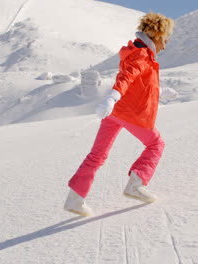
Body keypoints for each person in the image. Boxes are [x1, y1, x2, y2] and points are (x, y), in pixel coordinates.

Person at [64, 13, 175, 216]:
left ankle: (75, 199)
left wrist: (161, 90)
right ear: (158, 36)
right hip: (129, 112)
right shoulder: (142, 55)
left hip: (115, 113)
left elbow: (140, 82)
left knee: (97, 154)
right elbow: (127, 77)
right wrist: (112, 97)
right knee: (156, 144)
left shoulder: (137, 51)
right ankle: (136, 183)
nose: (165, 46)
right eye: (165, 40)